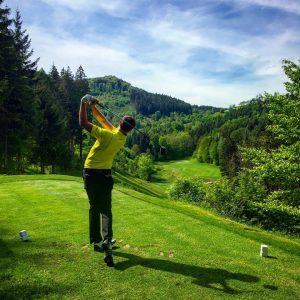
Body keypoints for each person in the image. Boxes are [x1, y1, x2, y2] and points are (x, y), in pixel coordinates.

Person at [79, 94, 135, 267]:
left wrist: (83, 104)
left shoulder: (106, 135)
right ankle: (107, 241)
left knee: (94, 207)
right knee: (106, 210)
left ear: (119, 124)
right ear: (129, 129)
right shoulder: (121, 138)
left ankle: (97, 241)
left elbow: (83, 123)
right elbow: (102, 120)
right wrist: (93, 106)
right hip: (106, 176)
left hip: (91, 173)